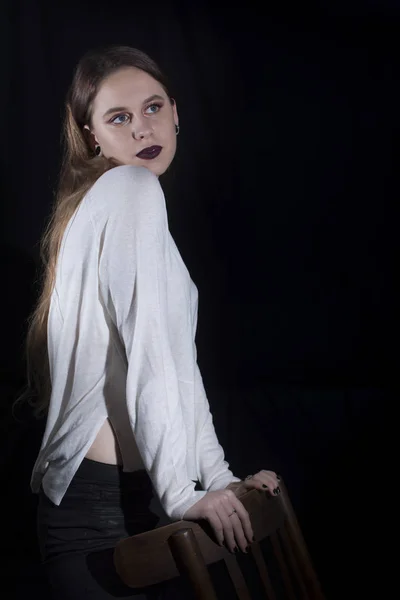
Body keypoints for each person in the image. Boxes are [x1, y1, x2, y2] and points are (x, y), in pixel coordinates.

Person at [24, 45, 279, 599]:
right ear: (92, 135)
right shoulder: (129, 190)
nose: (142, 128)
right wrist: (186, 493)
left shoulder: (118, 204)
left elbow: (175, 367)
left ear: (177, 113)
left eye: (153, 108)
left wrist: (219, 481)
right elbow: (155, 362)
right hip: (99, 516)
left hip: (131, 499)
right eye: (119, 118)